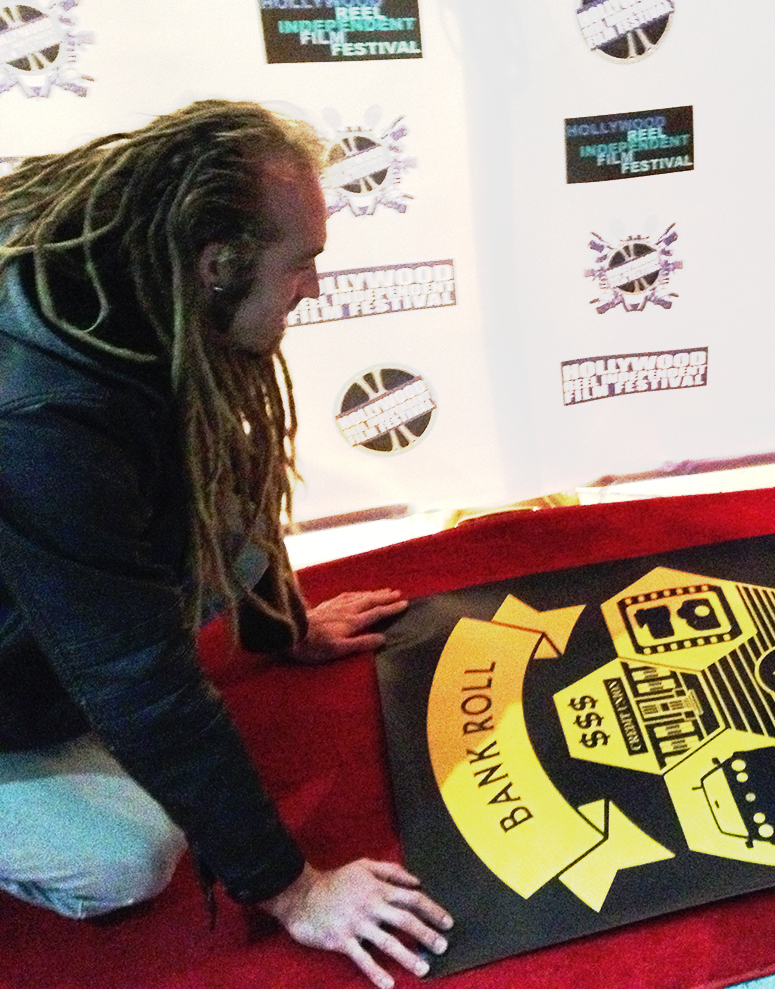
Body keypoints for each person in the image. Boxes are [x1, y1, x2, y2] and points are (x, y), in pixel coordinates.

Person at [0, 102, 451, 989]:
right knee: (132, 856)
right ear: (218, 262)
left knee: (206, 483)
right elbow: (138, 678)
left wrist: (286, 627)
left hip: (37, 565)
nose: (313, 286)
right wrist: (294, 891)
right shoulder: (40, 419)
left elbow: (229, 481)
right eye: (303, 264)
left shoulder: (137, 267)